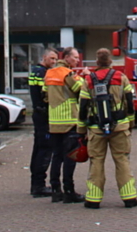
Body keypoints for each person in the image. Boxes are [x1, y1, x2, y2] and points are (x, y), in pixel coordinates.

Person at [77, 48, 137, 209]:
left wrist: (81, 130)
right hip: (120, 127)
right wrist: (130, 124)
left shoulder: (88, 80)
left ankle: (93, 199)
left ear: (97, 62)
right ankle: (129, 198)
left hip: (96, 129)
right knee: (122, 160)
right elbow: (130, 103)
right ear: (110, 61)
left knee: (96, 161)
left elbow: (83, 107)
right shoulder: (121, 77)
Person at [45, 46, 85, 203]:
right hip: (69, 121)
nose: (77, 60)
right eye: (75, 57)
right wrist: (84, 76)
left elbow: (45, 95)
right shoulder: (68, 73)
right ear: (67, 58)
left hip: (54, 122)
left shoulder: (49, 73)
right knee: (70, 157)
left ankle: (56, 190)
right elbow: (81, 89)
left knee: (57, 157)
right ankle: (69, 191)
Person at [28, 47, 58, 198]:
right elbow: (45, 94)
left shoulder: (35, 71)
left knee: (38, 149)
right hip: (43, 115)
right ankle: (39, 186)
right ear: (44, 57)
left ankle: (35, 183)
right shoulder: (43, 73)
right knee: (45, 150)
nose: (54, 62)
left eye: (55, 59)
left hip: (38, 114)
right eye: (52, 59)